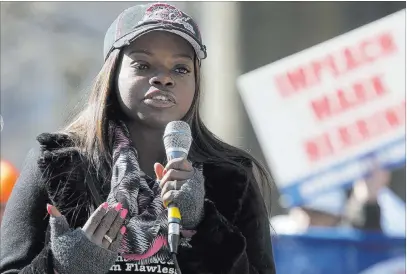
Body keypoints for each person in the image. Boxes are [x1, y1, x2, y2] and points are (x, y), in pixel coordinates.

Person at [0, 3, 276, 274]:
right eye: (143, 65)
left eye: (180, 69)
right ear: (112, 72)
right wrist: (61, 267)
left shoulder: (231, 174)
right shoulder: (57, 162)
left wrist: (201, 225)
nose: (163, 79)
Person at [271, 167, 405, 235]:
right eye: (304, 211)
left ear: (336, 218)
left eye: (317, 215)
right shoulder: (276, 236)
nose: (307, 222)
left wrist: (366, 199)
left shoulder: (345, 251)